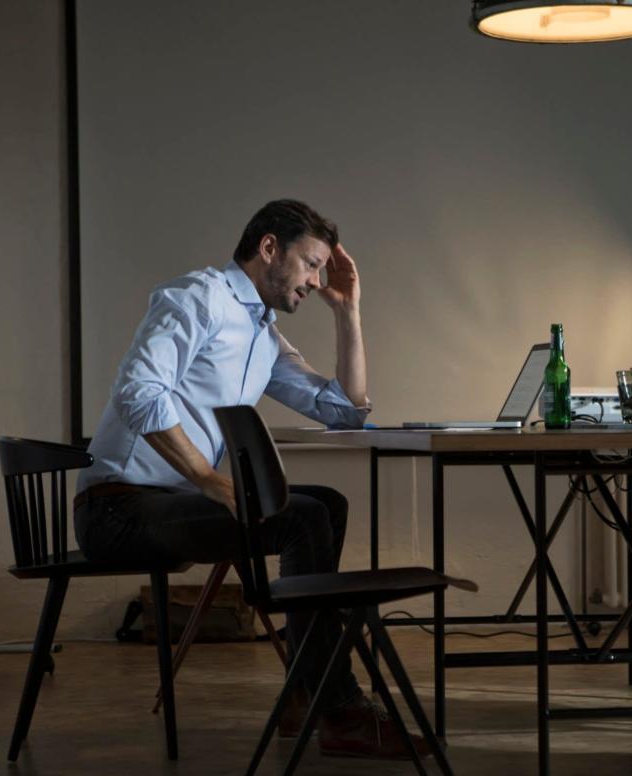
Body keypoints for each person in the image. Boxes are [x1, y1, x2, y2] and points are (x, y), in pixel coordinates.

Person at [74, 199, 423, 759]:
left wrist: (348, 312)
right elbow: (140, 391)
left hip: (173, 504)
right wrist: (213, 481)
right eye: (310, 264)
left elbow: (344, 411)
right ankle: (339, 708)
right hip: (119, 509)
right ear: (268, 249)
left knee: (325, 505)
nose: (315, 280)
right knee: (302, 518)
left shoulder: (263, 333)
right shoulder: (198, 298)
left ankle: (305, 690)